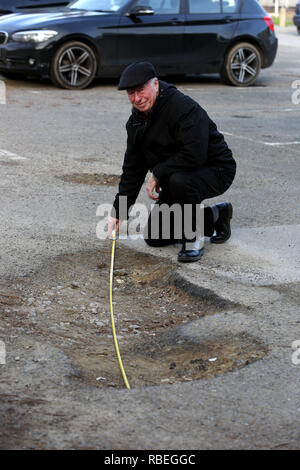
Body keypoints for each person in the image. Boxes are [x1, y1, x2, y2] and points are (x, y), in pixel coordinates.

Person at [108, 62, 236, 262]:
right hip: (178, 174)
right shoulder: (136, 123)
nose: (137, 99)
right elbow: (132, 168)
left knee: (179, 180)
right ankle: (216, 215)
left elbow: (196, 154)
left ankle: (193, 237)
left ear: (156, 84)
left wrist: (158, 173)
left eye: (141, 90)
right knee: (156, 237)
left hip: (216, 169)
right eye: (131, 93)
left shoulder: (182, 108)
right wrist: (119, 211)